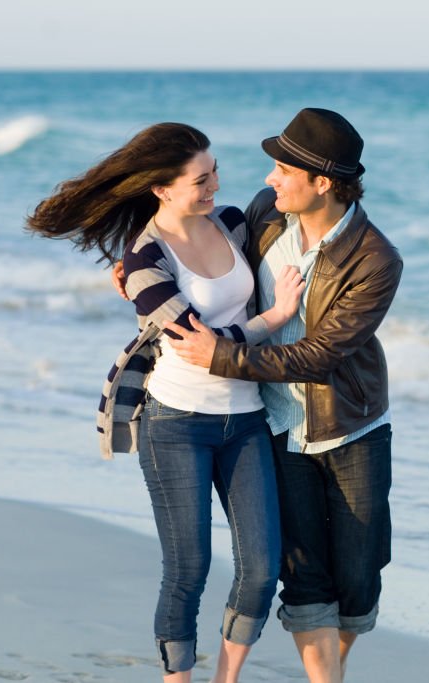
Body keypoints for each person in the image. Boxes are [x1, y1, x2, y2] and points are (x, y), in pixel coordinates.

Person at [26, 122, 305, 683]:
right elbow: (203, 347)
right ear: (161, 188)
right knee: (189, 567)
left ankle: (226, 678)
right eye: (200, 180)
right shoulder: (144, 259)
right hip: (175, 423)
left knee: (261, 570)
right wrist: (275, 319)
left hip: (246, 417)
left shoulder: (228, 223)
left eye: (214, 173)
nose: (214, 186)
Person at [158, 108, 403, 683]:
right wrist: (136, 264)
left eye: (283, 168)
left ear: (323, 183)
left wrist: (223, 357)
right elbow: (186, 226)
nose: (269, 178)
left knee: (360, 574)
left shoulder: (375, 260)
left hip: (351, 426)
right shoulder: (268, 214)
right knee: (305, 571)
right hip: (274, 425)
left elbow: (319, 358)